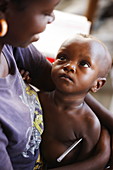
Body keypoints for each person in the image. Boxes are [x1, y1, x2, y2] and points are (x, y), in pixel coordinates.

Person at [0, 0, 111, 170]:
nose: (52, 18)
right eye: (45, 12)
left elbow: (53, 79)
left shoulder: (10, 46)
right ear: (4, 11)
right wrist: (99, 159)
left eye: (84, 64)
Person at [38, 34, 112, 169]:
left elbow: (83, 164)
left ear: (97, 84)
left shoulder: (89, 124)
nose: (69, 66)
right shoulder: (38, 98)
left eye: (84, 64)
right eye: (62, 57)